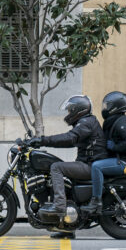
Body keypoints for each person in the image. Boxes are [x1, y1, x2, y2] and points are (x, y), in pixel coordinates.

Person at [27, 95, 107, 239]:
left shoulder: (86, 122)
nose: (69, 114)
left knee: (56, 167)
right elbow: (70, 141)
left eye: (70, 110)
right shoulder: (85, 122)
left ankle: (59, 206)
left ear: (79, 110)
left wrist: (43, 140)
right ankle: (66, 228)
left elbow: (70, 138)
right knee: (64, 178)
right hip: (87, 163)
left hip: (90, 166)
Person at [83, 91, 126, 214]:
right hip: (119, 159)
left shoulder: (121, 122)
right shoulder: (114, 121)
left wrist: (115, 147)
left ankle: (96, 201)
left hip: (125, 162)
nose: (105, 109)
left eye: (107, 106)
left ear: (115, 107)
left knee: (97, 167)